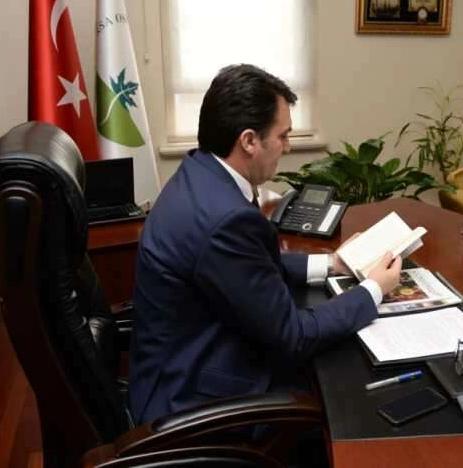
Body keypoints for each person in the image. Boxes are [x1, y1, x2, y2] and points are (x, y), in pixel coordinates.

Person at [128, 64, 401, 425]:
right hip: (190, 398)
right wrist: (373, 290)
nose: (287, 146)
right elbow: (293, 335)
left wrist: (331, 263)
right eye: (283, 135)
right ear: (249, 141)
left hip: (175, 363)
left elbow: (245, 265)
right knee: (354, 397)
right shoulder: (226, 219)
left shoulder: (199, 173)